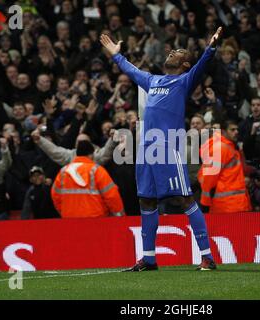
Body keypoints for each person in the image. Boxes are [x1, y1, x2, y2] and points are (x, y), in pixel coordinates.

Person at [100, 27, 223, 271]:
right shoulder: (153, 80)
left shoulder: (184, 80)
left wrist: (211, 48)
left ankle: (207, 257)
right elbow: (132, 71)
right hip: (145, 150)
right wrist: (116, 55)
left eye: (178, 52)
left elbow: (202, 66)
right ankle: (148, 259)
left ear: (185, 64)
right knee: (146, 201)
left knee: (184, 199)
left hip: (167, 148)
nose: (172, 52)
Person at [51, 140, 125, 218]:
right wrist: (119, 216)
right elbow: (112, 196)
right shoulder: (97, 171)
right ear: (91, 155)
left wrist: (64, 211)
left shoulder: (63, 172)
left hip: (70, 220)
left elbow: (55, 196)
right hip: (96, 220)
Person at [198, 120, 252, 214]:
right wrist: (205, 204)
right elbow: (209, 179)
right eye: (232, 130)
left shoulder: (230, 148)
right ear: (223, 132)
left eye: (237, 129)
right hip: (227, 206)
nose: (236, 132)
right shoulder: (220, 148)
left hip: (233, 204)